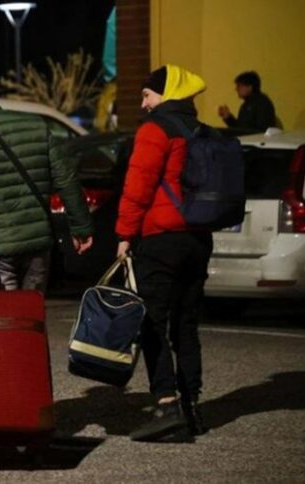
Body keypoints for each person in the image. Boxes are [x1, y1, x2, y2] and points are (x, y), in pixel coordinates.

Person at [116, 65, 211, 442]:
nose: (143, 104)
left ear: (166, 93)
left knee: (150, 321)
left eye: (147, 95)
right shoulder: (201, 130)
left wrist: (125, 233)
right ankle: (192, 408)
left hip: (161, 238)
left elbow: (138, 185)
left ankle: (167, 405)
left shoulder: (156, 129)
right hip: (198, 238)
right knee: (185, 324)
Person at [0, 69, 94, 291]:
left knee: (4, 312)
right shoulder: (36, 125)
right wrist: (81, 226)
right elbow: (66, 178)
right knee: (32, 309)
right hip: (39, 243)